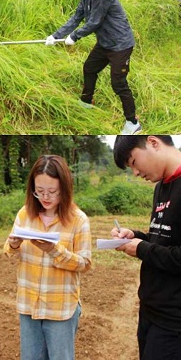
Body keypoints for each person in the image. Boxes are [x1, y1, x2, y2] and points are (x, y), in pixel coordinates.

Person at [3, 155, 92, 360]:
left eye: (53, 192)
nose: (45, 197)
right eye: (39, 191)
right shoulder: (25, 214)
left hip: (60, 308)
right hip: (29, 305)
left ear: (65, 188)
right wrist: (14, 244)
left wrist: (54, 250)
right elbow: (9, 249)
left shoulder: (78, 220)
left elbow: (85, 263)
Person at [46, 0, 140, 135]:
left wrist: (74, 36)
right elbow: (76, 18)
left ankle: (133, 122)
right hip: (105, 43)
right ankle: (86, 102)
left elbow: (94, 22)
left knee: (118, 83)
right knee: (89, 68)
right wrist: (56, 35)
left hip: (120, 44)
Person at [111, 135, 181, 358]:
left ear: (153, 143)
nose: (136, 173)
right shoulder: (162, 185)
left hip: (173, 322)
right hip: (150, 312)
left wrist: (141, 248)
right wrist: (136, 236)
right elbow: (165, 239)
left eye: (133, 162)